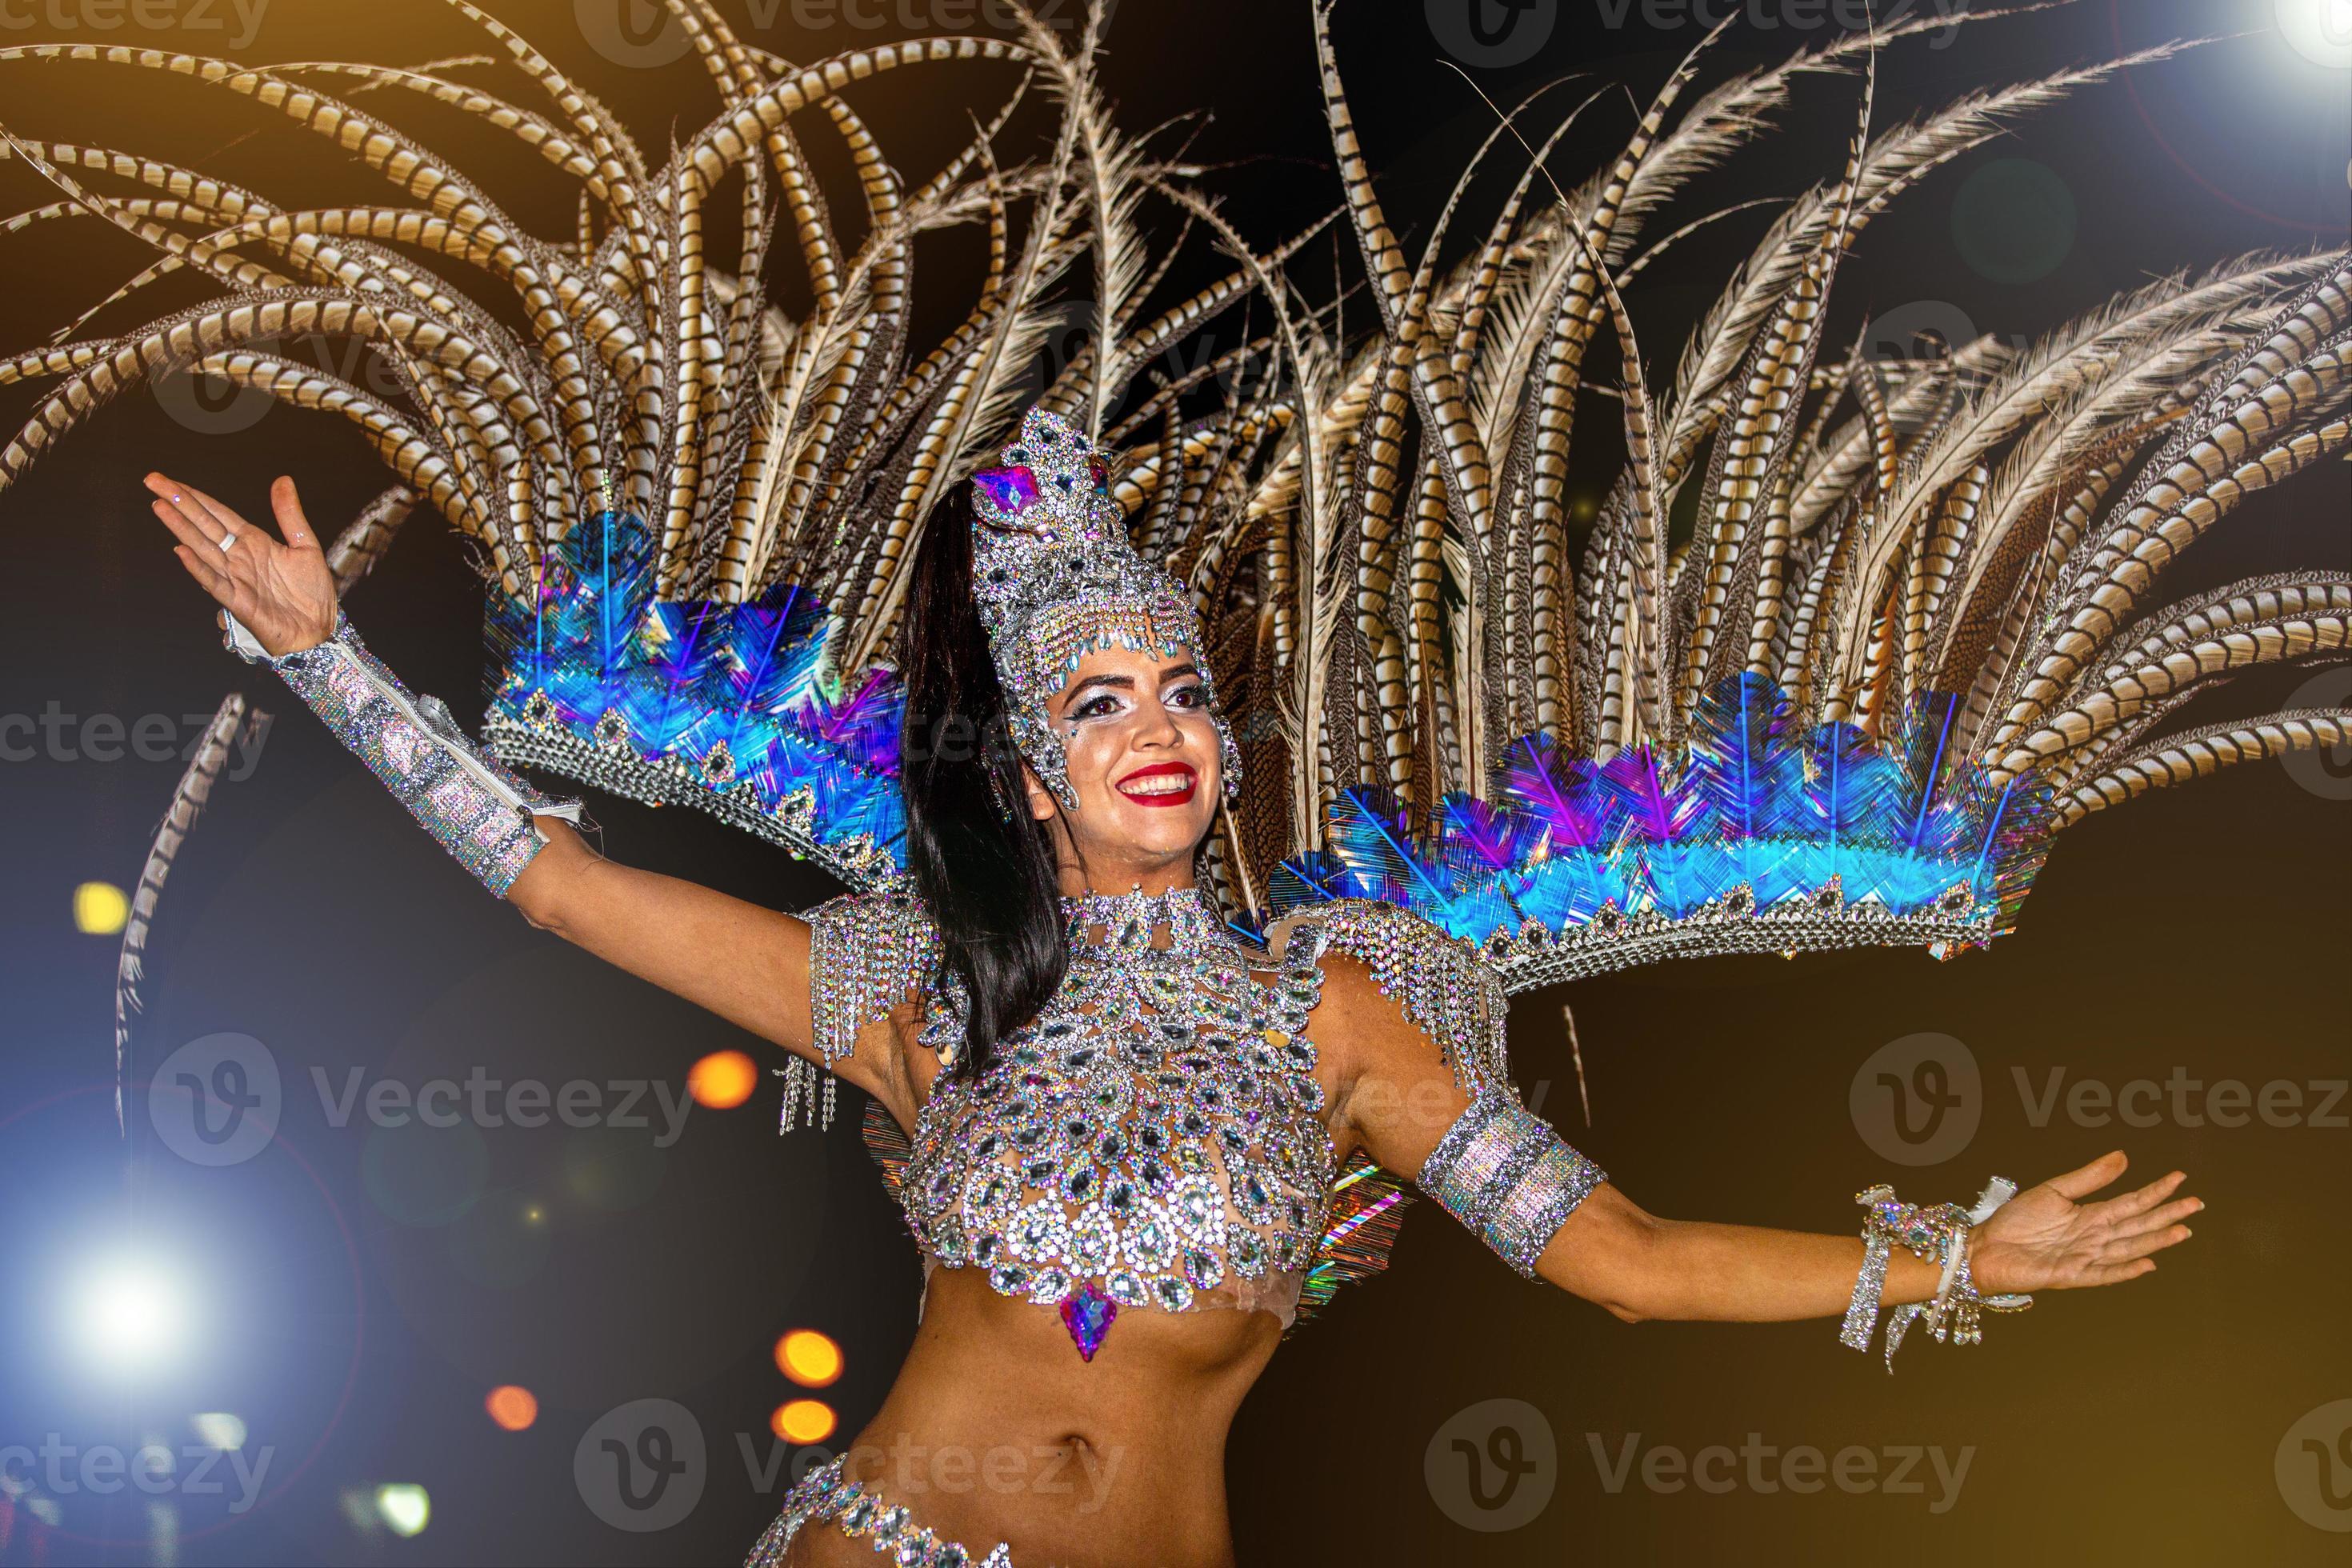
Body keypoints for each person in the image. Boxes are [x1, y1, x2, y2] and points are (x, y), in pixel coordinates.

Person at [140, 406, 2200, 1568]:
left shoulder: (1336, 1012)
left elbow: (1629, 1258)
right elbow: (569, 889)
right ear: (1033, 772)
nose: (1165, 724)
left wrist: (1963, 1262)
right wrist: (332, 657)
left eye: (1190, 694)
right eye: (1100, 699)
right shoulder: (915, 985)